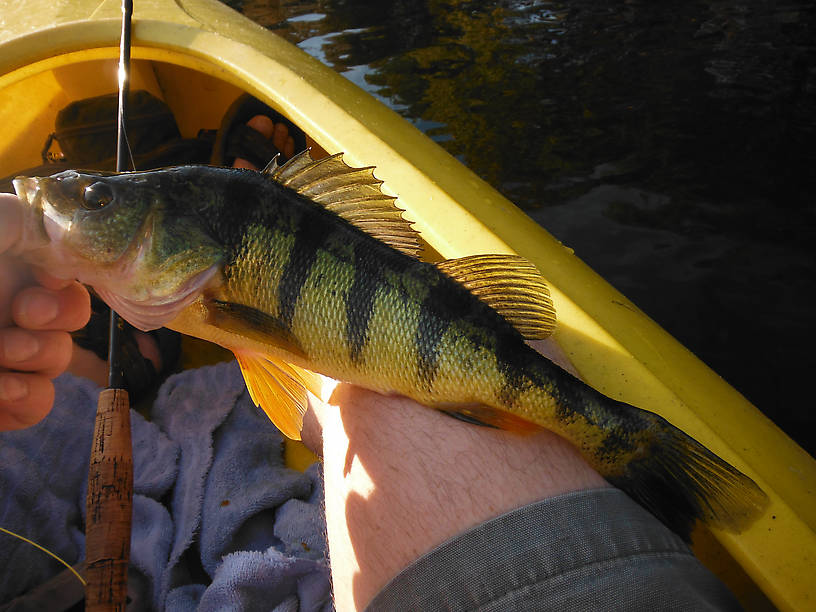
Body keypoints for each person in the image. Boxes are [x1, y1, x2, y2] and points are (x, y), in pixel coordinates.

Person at [0, 118, 742, 611]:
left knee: (354, 395)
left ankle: (136, 353)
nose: (55, 197)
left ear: (184, 238)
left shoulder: (205, 283)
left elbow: (269, 356)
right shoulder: (199, 271)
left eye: (95, 198)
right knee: (381, 395)